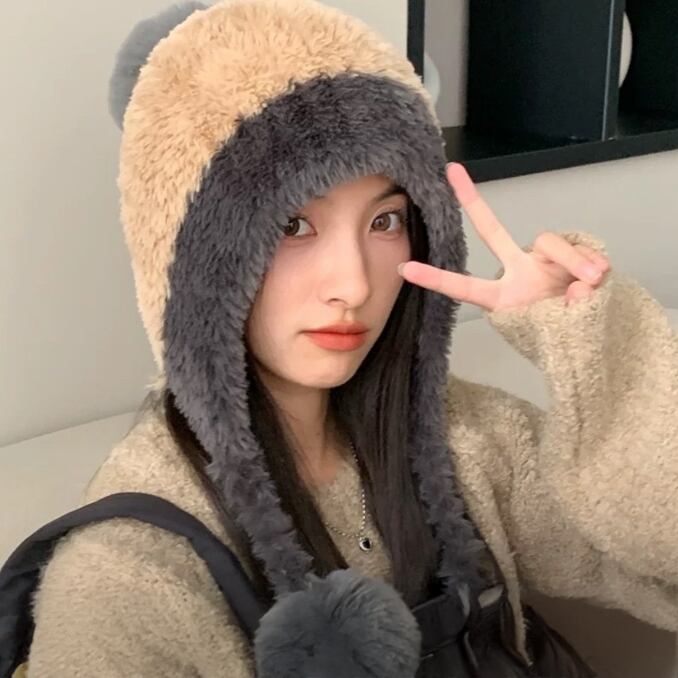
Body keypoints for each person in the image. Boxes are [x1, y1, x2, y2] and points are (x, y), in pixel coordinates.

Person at [19, 0, 678, 676]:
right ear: (191, 261)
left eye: (385, 221)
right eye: (293, 226)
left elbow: (662, 563)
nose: (355, 285)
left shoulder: (465, 437)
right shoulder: (129, 571)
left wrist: (592, 347)